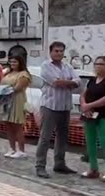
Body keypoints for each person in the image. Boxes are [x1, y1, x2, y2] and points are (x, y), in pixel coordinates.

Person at [34, 41, 79, 178]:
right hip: (50, 105)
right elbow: (55, 82)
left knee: (62, 136)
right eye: (56, 51)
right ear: (51, 52)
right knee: (45, 137)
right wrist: (68, 83)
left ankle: (59, 163)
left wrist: (67, 82)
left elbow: (78, 81)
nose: (59, 53)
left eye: (61, 51)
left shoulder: (68, 67)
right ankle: (40, 166)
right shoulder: (45, 66)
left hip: (65, 106)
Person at [0, 53, 31, 159]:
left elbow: (18, 88)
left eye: (15, 62)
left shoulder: (23, 74)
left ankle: (21, 150)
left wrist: (3, 90)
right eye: (11, 61)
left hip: (17, 100)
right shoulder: (8, 73)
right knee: (8, 126)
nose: (12, 63)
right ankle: (12, 148)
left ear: (20, 63)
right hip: (6, 101)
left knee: (17, 125)